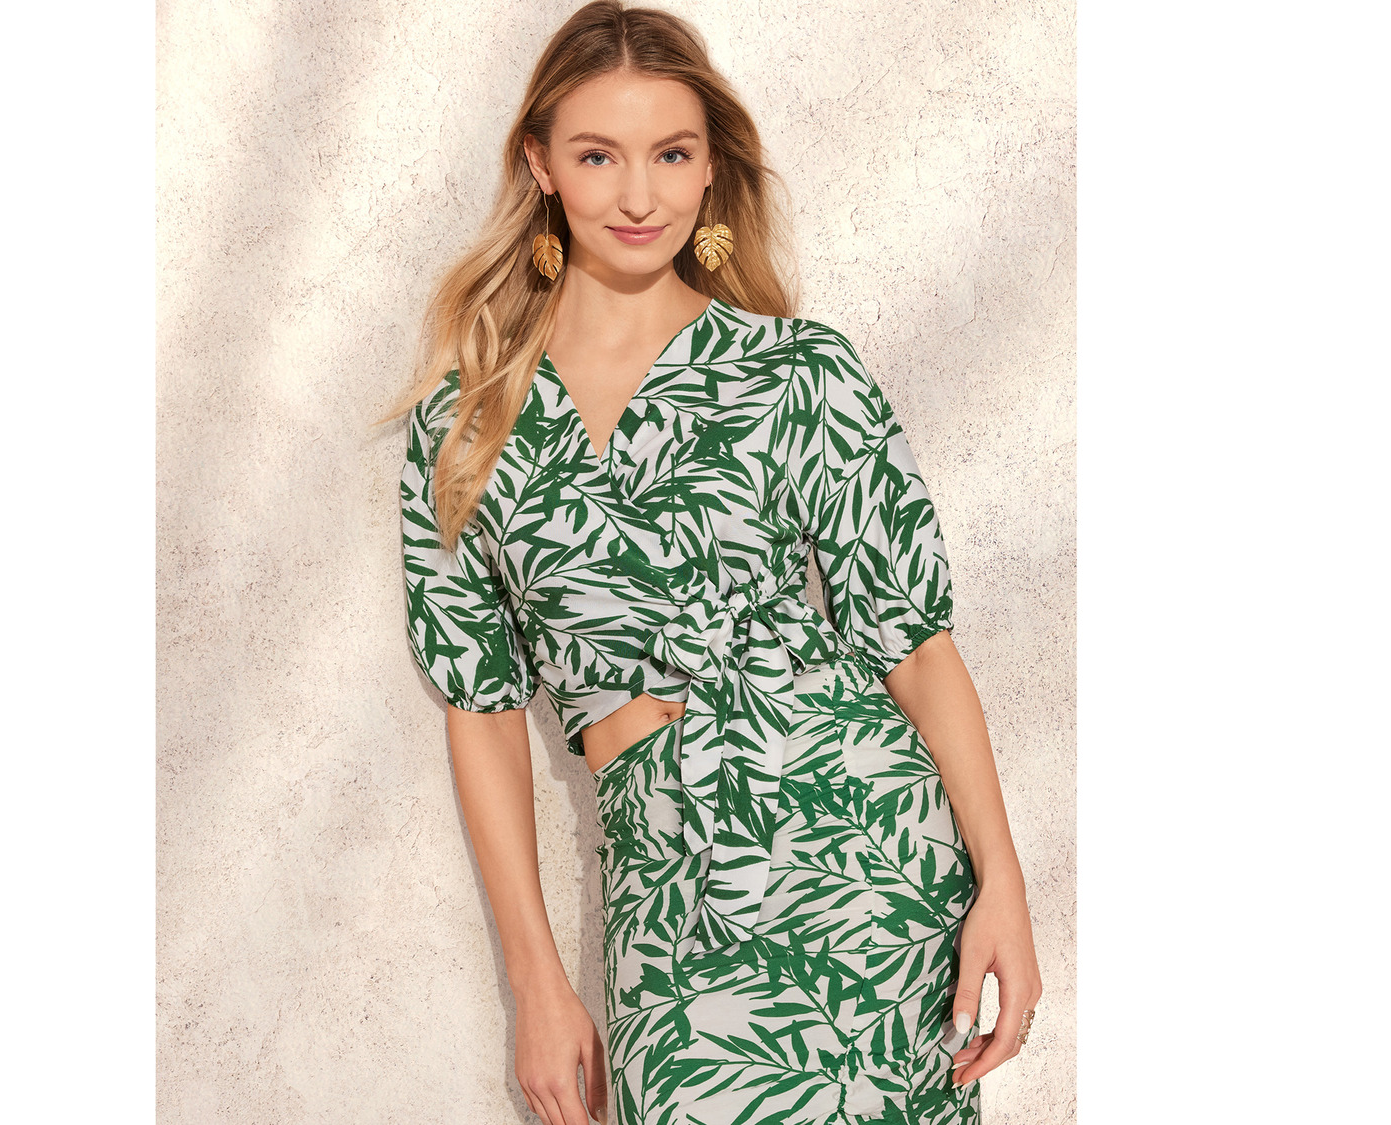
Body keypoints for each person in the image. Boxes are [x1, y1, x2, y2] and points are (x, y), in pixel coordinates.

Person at [384, 3, 1042, 1123]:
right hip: (664, 886)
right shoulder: (466, 425)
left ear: (709, 167)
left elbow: (916, 646)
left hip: (862, 856)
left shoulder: (800, 373)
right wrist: (537, 982)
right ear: (540, 164)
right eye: (599, 155)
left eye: (673, 154)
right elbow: (480, 707)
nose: (640, 196)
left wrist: (1003, 888)